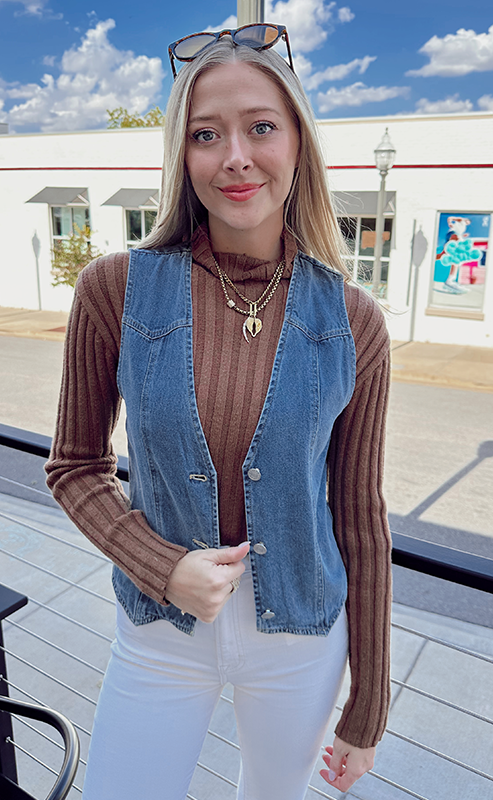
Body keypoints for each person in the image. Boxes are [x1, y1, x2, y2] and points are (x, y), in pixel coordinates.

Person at [45, 23, 392, 800]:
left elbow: (360, 519)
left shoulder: (353, 321)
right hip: (159, 632)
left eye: (260, 127)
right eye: (206, 134)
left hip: (301, 638)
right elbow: (74, 467)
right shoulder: (114, 291)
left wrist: (367, 709)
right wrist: (161, 566)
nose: (235, 156)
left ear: (297, 143)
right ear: (183, 155)